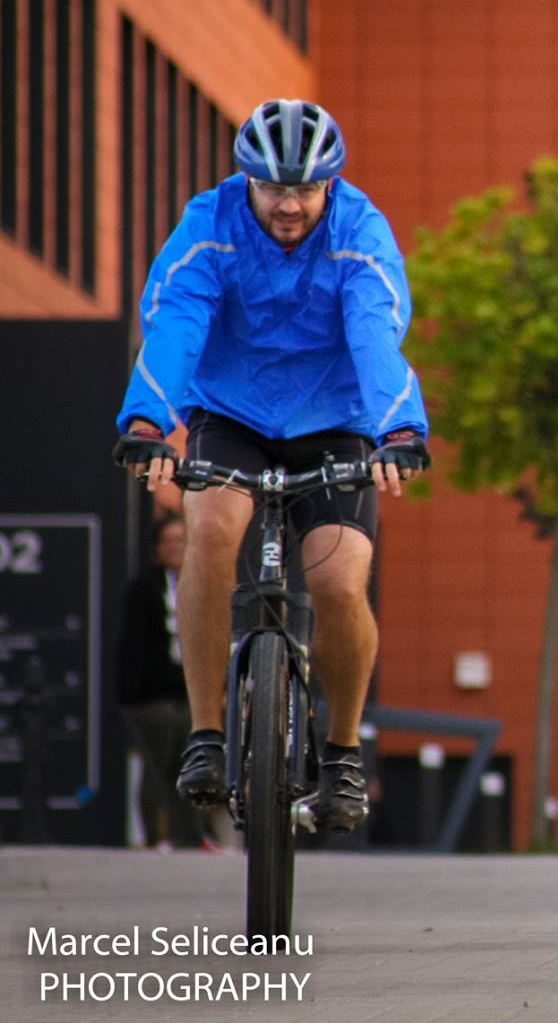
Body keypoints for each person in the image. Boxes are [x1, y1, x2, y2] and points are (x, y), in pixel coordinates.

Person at [112, 99, 431, 835]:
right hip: (231, 414)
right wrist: (147, 419)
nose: (288, 205)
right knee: (212, 530)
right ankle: (205, 732)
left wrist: (400, 429)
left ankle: (343, 753)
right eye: (271, 187)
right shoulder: (209, 226)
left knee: (339, 579)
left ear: (332, 184)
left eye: (305, 189)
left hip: (341, 422)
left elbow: (376, 332)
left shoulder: (360, 234)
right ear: (246, 180)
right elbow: (175, 320)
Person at [117, 512, 208, 849]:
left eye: (180, 540)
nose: (174, 547)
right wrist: (133, 694)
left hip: (189, 693)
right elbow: (133, 646)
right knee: (156, 768)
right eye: (168, 541)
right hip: (153, 696)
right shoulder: (145, 589)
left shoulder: (201, 584)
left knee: (190, 765)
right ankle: (155, 838)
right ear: (157, 547)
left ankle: (191, 836)